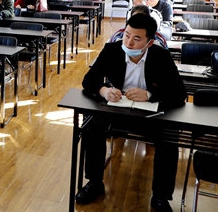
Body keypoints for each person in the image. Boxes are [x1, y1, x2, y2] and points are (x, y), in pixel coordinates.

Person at [76, 14, 186, 212]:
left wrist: (150, 95)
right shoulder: (112, 50)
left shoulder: (160, 56)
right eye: (126, 35)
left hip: (148, 115)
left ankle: (161, 196)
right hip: (117, 110)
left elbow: (179, 93)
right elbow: (88, 80)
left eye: (136, 39)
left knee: (169, 137)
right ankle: (94, 181)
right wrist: (103, 90)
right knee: (91, 125)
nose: (128, 42)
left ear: (149, 42)